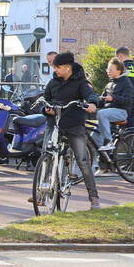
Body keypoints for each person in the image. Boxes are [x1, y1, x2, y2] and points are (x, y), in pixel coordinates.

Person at [43, 52, 101, 210]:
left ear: (67, 68)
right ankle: (41, 191)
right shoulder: (53, 82)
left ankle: (94, 198)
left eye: (58, 67)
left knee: (82, 160)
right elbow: (45, 98)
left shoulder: (81, 82)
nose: (55, 70)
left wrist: (92, 104)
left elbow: (90, 94)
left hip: (74, 125)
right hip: (54, 124)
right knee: (46, 155)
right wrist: (46, 108)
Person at [94, 59, 134, 151]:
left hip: (122, 111)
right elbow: (102, 100)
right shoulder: (109, 84)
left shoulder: (126, 83)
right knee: (93, 138)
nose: (108, 71)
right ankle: (103, 160)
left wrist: (113, 98)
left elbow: (129, 101)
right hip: (109, 112)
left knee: (101, 114)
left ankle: (108, 141)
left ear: (119, 71)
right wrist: (91, 103)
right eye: (107, 69)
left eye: (111, 70)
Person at [115, 47, 134, 122]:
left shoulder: (122, 69)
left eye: (117, 58)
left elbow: (117, 86)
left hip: (123, 103)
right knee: (131, 128)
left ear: (120, 56)